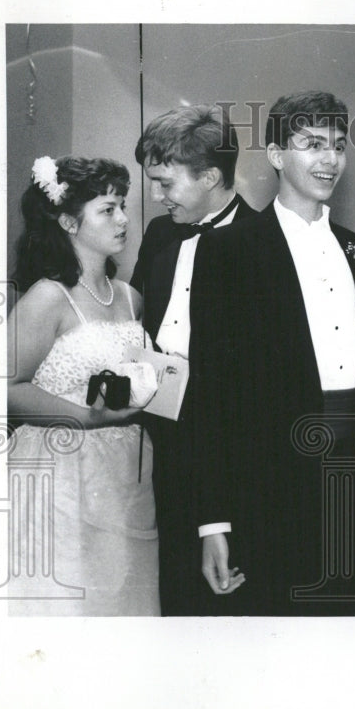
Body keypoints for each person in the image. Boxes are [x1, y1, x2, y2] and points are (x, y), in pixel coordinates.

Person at [186, 91, 355, 616]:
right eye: (312, 144)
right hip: (270, 486)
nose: (330, 159)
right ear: (276, 155)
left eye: (339, 146)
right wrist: (214, 522)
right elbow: (209, 397)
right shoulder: (228, 251)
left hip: (353, 481)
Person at [7, 156, 159, 616]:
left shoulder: (131, 297)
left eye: (122, 207)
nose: (122, 219)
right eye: (107, 209)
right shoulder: (48, 296)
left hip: (127, 473)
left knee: (123, 601)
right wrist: (87, 417)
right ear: (70, 221)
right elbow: (4, 387)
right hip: (62, 470)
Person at [129, 104, 256, 616]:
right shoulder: (162, 234)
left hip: (226, 456)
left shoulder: (260, 247)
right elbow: (137, 320)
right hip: (159, 445)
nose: (156, 197)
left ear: (209, 176)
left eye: (165, 183)